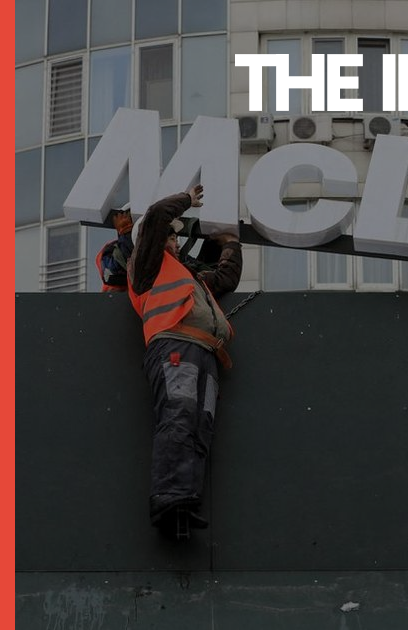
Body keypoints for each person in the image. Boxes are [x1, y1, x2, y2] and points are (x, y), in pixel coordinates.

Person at [127, 184, 243, 538]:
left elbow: (226, 278)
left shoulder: (188, 276)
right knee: (179, 417)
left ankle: (184, 500)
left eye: (176, 237)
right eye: (171, 237)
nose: (175, 242)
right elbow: (157, 216)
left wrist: (230, 243)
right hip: (175, 347)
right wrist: (187, 201)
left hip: (204, 353)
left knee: (199, 425)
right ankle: (168, 497)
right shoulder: (147, 264)